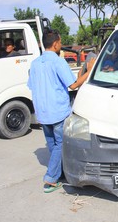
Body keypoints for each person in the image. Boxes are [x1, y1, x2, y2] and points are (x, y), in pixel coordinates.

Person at [27, 29, 96, 193]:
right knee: (60, 144)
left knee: (52, 144)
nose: (61, 44)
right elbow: (73, 85)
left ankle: (59, 173)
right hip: (57, 111)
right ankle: (50, 178)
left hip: (43, 112)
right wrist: (89, 71)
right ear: (56, 43)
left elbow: (31, 86)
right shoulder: (58, 62)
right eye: (60, 41)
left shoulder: (35, 63)